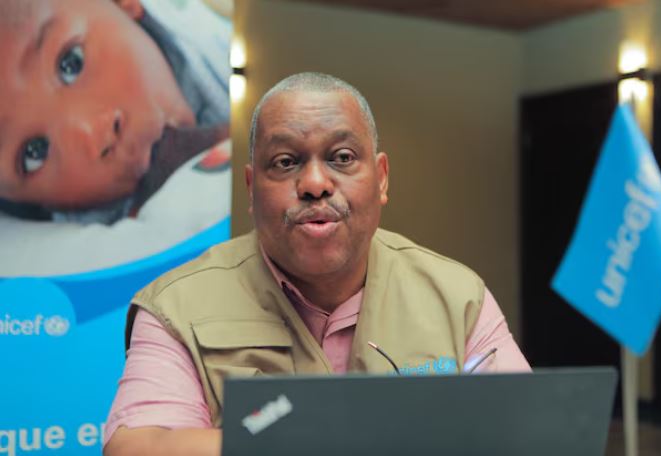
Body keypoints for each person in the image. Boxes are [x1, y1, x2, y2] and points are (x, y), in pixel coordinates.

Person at [103, 72, 531, 456]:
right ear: (251, 188)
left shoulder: (455, 296)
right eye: (286, 162)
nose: (314, 184)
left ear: (381, 177)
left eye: (342, 157)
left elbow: (529, 433)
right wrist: (323, 436)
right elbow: (139, 446)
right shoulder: (179, 305)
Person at [0, 0, 230, 225]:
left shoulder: (218, 37)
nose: (90, 134)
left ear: (123, 4)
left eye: (71, 64)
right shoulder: (96, 247)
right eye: (34, 153)